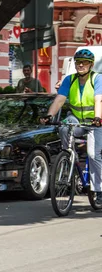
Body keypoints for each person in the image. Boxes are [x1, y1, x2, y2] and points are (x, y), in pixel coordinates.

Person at [40, 48, 102, 204]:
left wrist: (98, 118)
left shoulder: (97, 79)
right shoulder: (70, 80)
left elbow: (98, 100)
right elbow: (60, 100)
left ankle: (99, 190)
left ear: (91, 65)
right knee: (64, 125)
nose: (81, 65)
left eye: (84, 63)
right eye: (78, 62)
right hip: (77, 119)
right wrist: (49, 115)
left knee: (93, 154)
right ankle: (68, 156)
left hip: (95, 122)